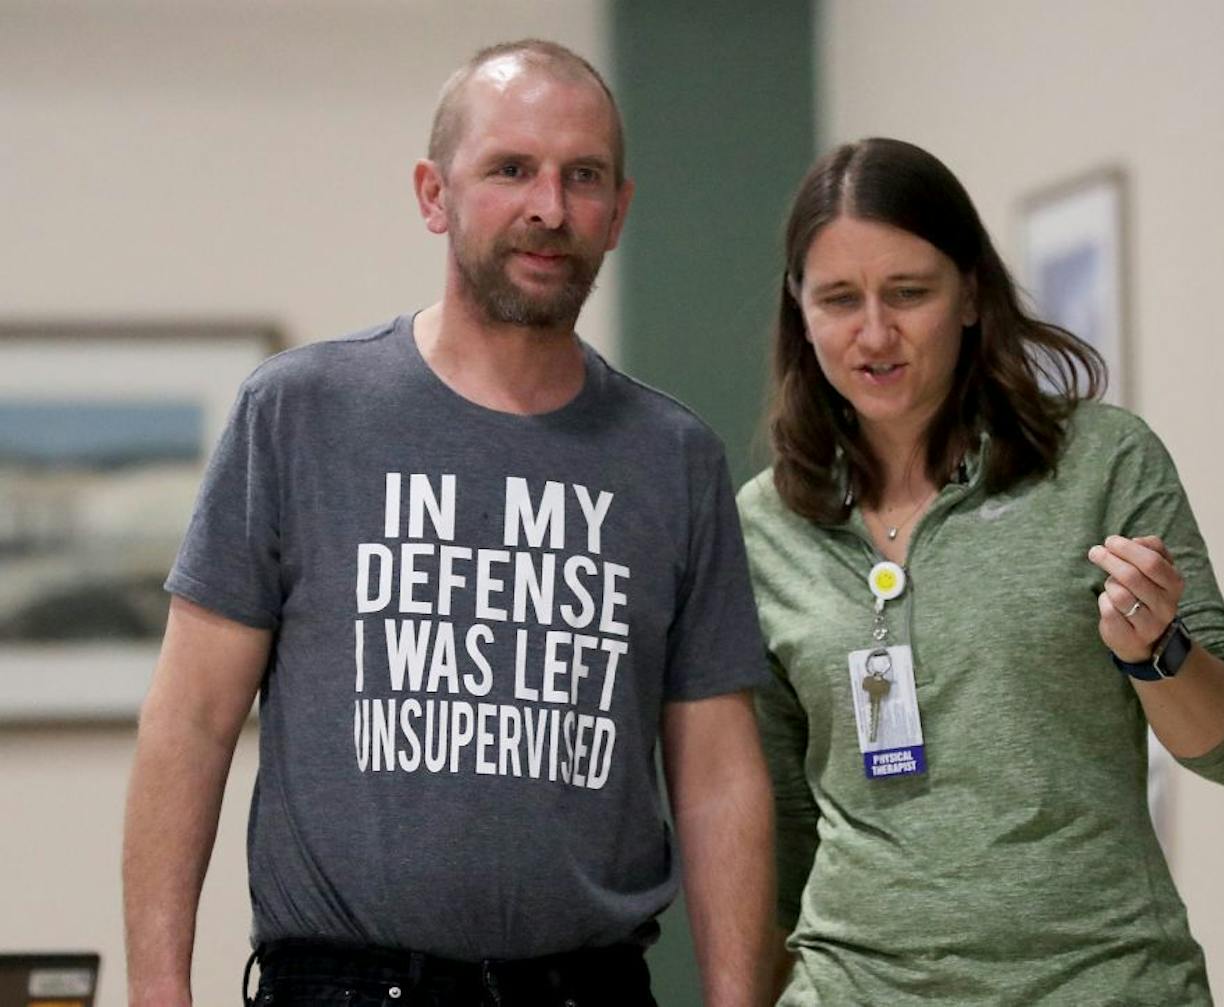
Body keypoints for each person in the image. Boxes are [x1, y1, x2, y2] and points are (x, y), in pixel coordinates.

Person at [122, 39, 774, 1007]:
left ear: (618, 212)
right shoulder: (301, 413)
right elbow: (191, 721)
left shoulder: (673, 457)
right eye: (510, 169)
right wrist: (158, 989)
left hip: (586, 987)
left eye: (581, 176)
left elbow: (718, 775)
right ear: (433, 194)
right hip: (344, 985)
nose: (548, 207)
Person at [737, 137, 1224, 1005]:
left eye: (909, 292)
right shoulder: (764, 524)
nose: (875, 332)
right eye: (838, 299)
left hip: (1100, 980)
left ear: (972, 293)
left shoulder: (1103, 464)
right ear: (799, 312)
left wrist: (1155, 649)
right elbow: (783, 827)